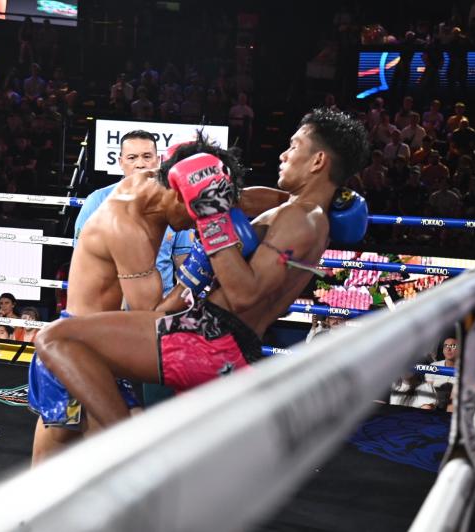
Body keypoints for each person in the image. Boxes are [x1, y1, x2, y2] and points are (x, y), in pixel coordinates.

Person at [34, 108, 369, 432]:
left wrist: (211, 219)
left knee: (57, 338)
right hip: (219, 340)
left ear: (318, 161)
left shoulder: (302, 219)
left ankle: (130, 441)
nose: (283, 155)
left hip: (209, 340)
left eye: (294, 146)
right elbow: (243, 201)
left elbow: (245, 293)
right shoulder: (299, 211)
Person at [28, 131, 246, 464]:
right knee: (121, 457)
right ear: (179, 194)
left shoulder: (156, 184)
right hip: (78, 349)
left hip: (103, 343)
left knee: (63, 458)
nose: (196, 225)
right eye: (198, 214)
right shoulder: (125, 226)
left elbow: (234, 196)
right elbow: (150, 320)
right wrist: (199, 271)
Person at [425, 337, 459, 411]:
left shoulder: (466, 370)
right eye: (446, 346)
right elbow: (428, 390)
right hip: (434, 404)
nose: (448, 349)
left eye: (453, 346)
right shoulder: (434, 366)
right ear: (443, 350)